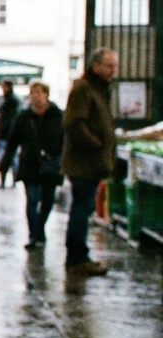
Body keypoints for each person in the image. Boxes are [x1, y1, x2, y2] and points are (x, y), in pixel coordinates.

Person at [61, 48, 118, 276]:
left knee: (84, 208)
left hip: (92, 163)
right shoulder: (84, 88)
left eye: (114, 66)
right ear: (95, 66)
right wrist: (95, 144)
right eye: (109, 66)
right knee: (81, 209)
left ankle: (78, 255)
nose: (113, 71)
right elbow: (74, 123)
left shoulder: (100, 90)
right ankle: (77, 258)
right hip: (84, 163)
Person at [0, 81, 62, 249]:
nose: (36, 96)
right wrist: (4, 164)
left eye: (39, 92)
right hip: (29, 163)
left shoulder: (58, 115)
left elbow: (65, 141)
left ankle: (40, 228)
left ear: (46, 94)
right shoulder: (23, 117)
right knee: (32, 200)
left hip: (51, 164)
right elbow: (12, 142)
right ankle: (33, 235)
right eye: (33, 92)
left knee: (48, 201)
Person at [0, 79, 20, 188]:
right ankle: (9, 180)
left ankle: (10, 180)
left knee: (8, 158)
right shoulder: (8, 99)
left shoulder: (11, 100)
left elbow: (10, 119)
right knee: (6, 158)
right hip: (5, 133)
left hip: (7, 134)